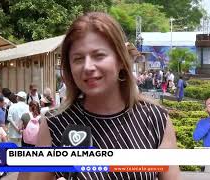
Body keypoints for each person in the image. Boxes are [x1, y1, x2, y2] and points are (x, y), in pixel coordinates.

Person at [28, 12, 179, 180]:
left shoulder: (155, 120)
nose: (88, 67)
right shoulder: (54, 125)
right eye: (78, 59)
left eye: (99, 55)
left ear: (121, 60)